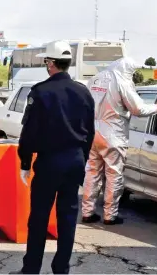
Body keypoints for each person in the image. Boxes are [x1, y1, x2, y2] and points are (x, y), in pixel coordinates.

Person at [11, 41, 95, 275]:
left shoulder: (40, 92)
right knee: (67, 218)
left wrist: (25, 162)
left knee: (39, 217)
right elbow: (90, 132)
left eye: (46, 61)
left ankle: (31, 269)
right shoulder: (84, 92)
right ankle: (62, 269)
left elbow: (29, 133)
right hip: (75, 160)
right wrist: (82, 158)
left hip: (49, 162)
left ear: (50, 63)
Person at [81, 57, 157, 225]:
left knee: (92, 172)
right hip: (113, 134)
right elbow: (138, 109)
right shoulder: (121, 81)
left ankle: (87, 212)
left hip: (92, 131)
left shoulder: (96, 78)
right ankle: (110, 215)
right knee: (113, 174)